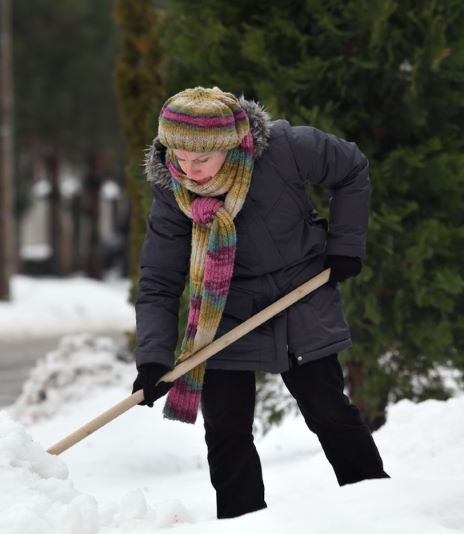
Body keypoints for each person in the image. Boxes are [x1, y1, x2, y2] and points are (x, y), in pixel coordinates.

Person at [132, 86, 388, 519]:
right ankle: (242, 523)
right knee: (227, 432)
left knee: (327, 411)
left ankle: (379, 511)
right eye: (179, 157)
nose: (189, 172)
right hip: (223, 308)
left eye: (201, 160)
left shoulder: (286, 147)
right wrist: (153, 358)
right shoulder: (171, 191)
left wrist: (346, 244)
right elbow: (159, 279)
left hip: (298, 293)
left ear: (229, 147)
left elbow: (350, 168)